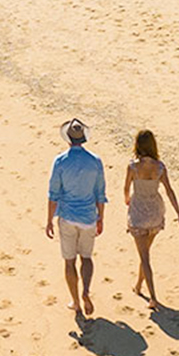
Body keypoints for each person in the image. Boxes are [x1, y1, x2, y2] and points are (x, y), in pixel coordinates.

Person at [45, 118, 107, 319]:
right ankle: (86, 290)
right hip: (89, 216)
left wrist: (49, 220)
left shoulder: (60, 161)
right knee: (87, 258)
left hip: (68, 216)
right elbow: (100, 193)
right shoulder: (95, 161)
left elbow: (53, 193)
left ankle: (76, 302)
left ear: (68, 138)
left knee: (69, 261)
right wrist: (101, 218)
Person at [124, 129, 179, 309]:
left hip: (138, 214)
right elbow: (169, 190)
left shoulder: (133, 167)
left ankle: (152, 297)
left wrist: (127, 199)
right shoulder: (160, 167)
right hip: (155, 213)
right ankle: (137, 286)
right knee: (146, 253)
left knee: (144, 257)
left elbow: (126, 188)